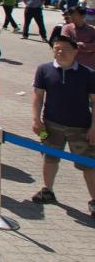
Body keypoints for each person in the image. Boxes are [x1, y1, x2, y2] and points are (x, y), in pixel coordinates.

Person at [30, 33, 95, 216]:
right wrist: (36, 119)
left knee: (88, 164)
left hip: (81, 127)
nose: (59, 52)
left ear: (75, 51)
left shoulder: (88, 74)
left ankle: (94, 200)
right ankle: (47, 190)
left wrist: (93, 127)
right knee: (49, 158)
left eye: (65, 49)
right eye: (56, 48)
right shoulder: (44, 70)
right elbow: (38, 96)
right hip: (51, 125)